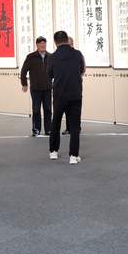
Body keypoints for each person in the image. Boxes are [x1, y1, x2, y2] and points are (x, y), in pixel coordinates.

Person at [48, 30, 86, 164]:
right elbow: (82, 70)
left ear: (55, 42)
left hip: (59, 95)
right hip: (75, 94)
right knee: (74, 125)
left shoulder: (52, 57)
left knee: (56, 122)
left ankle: (53, 151)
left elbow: (49, 74)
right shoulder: (77, 54)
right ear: (67, 40)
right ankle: (73, 156)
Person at [20, 37, 52, 137]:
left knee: (48, 109)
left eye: (44, 43)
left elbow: (55, 71)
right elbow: (23, 71)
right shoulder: (31, 57)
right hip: (36, 88)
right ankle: (36, 129)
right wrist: (24, 84)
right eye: (40, 43)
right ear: (37, 45)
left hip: (47, 88)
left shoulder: (50, 56)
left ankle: (48, 129)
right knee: (36, 109)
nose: (43, 45)